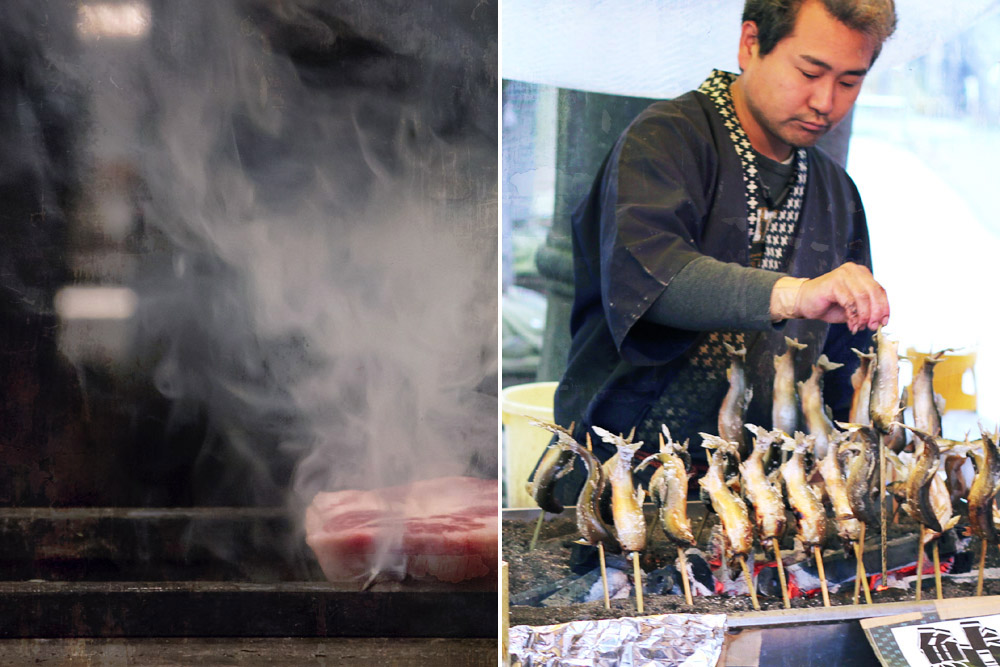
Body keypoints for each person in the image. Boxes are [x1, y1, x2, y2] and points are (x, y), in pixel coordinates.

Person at [543, 0, 897, 505]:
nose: (826, 101)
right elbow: (656, 279)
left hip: (769, 494)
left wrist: (848, 455)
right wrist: (796, 294)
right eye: (810, 72)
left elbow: (841, 363)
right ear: (750, 43)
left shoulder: (837, 191)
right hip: (630, 480)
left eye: (849, 82)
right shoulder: (664, 139)